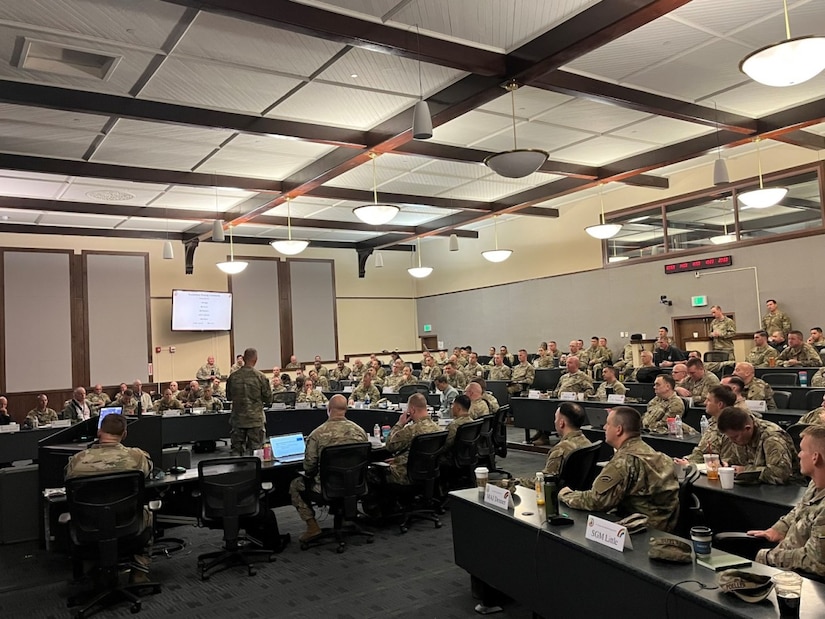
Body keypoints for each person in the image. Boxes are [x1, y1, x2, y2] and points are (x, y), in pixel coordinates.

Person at [559, 406, 679, 532]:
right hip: (663, 526)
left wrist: (566, 495)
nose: (604, 427)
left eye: (608, 424)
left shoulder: (624, 461)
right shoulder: (657, 455)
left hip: (638, 530)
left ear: (619, 430)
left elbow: (597, 501)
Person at [64, 413, 153, 584]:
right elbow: (148, 472)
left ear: (99, 432)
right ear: (124, 434)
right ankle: (139, 573)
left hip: (89, 524)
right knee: (148, 512)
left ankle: (92, 572)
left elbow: (67, 480)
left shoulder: (77, 460)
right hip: (127, 521)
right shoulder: (137, 457)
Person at [288, 394, 368, 542]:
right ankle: (347, 517)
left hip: (327, 487)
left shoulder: (317, 434)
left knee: (295, 485)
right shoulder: (360, 431)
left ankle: (313, 527)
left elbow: (309, 467)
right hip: (355, 484)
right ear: (346, 409)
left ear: (328, 409)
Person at [749, 425, 825, 577]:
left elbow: (815, 560)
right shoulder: (814, 484)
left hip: (799, 581)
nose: (799, 455)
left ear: (815, 457)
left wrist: (767, 556)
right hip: (785, 563)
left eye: (802, 450)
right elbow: (799, 510)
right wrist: (779, 529)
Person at [517, 402, 592, 489]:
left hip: (558, 496)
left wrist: (516, 482)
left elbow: (544, 481)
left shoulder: (560, 450)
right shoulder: (587, 443)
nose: (554, 421)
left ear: (561, 423)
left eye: (556, 418)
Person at [717, 406, 798, 485]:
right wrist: (727, 464)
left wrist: (746, 470)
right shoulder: (739, 434)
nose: (732, 441)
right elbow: (737, 459)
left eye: (735, 437)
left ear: (747, 428)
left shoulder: (772, 438)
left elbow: (781, 474)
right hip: (755, 485)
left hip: (788, 488)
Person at [383, 393, 440, 484]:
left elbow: (390, 445)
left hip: (405, 475)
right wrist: (400, 459)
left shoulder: (411, 430)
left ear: (412, 410)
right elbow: (422, 453)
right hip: (428, 472)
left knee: (372, 473)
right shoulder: (438, 428)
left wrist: (400, 424)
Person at [225, 348, 271, 456]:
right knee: (256, 452)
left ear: (244, 359)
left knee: (237, 452)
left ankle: (238, 472)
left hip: (238, 420)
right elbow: (268, 399)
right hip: (255, 420)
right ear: (255, 359)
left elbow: (228, 397)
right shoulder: (261, 377)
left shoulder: (233, 377)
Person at [682, 385, 738, 465]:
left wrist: (690, 464)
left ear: (720, 404)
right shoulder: (713, 422)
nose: (705, 403)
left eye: (708, 400)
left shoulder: (731, 427)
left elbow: (726, 461)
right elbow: (700, 451)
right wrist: (687, 461)